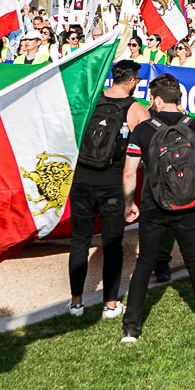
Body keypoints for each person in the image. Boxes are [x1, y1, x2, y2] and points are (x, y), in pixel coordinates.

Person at [119, 74, 195, 341]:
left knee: (144, 263)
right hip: (188, 204)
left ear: (158, 99)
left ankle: (131, 327)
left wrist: (129, 204)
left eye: (151, 98)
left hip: (154, 205)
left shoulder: (142, 129)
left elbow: (129, 173)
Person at [68, 59, 152, 318]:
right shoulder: (137, 110)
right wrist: (131, 198)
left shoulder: (92, 101)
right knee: (112, 243)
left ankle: (76, 302)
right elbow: (147, 153)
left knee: (79, 241)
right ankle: (111, 304)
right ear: (132, 82)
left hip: (81, 179)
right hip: (113, 183)